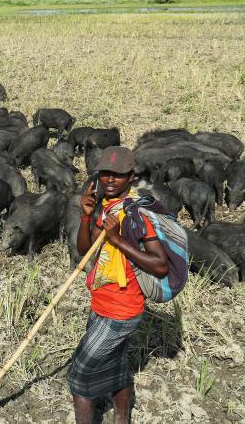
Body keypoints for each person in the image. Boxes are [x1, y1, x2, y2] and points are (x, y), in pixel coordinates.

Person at [70, 146, 170, 424]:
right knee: (115, 369)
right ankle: (122, 419)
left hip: (122, 309)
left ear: (131, 177)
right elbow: (85, 251)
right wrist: (87, 215)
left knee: (79, 376)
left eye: (118, 175)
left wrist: (118, 240)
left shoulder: (140, 213)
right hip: (100, 302)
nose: (110, 180)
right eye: (105, 174)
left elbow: (160, 265)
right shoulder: (105, 208)